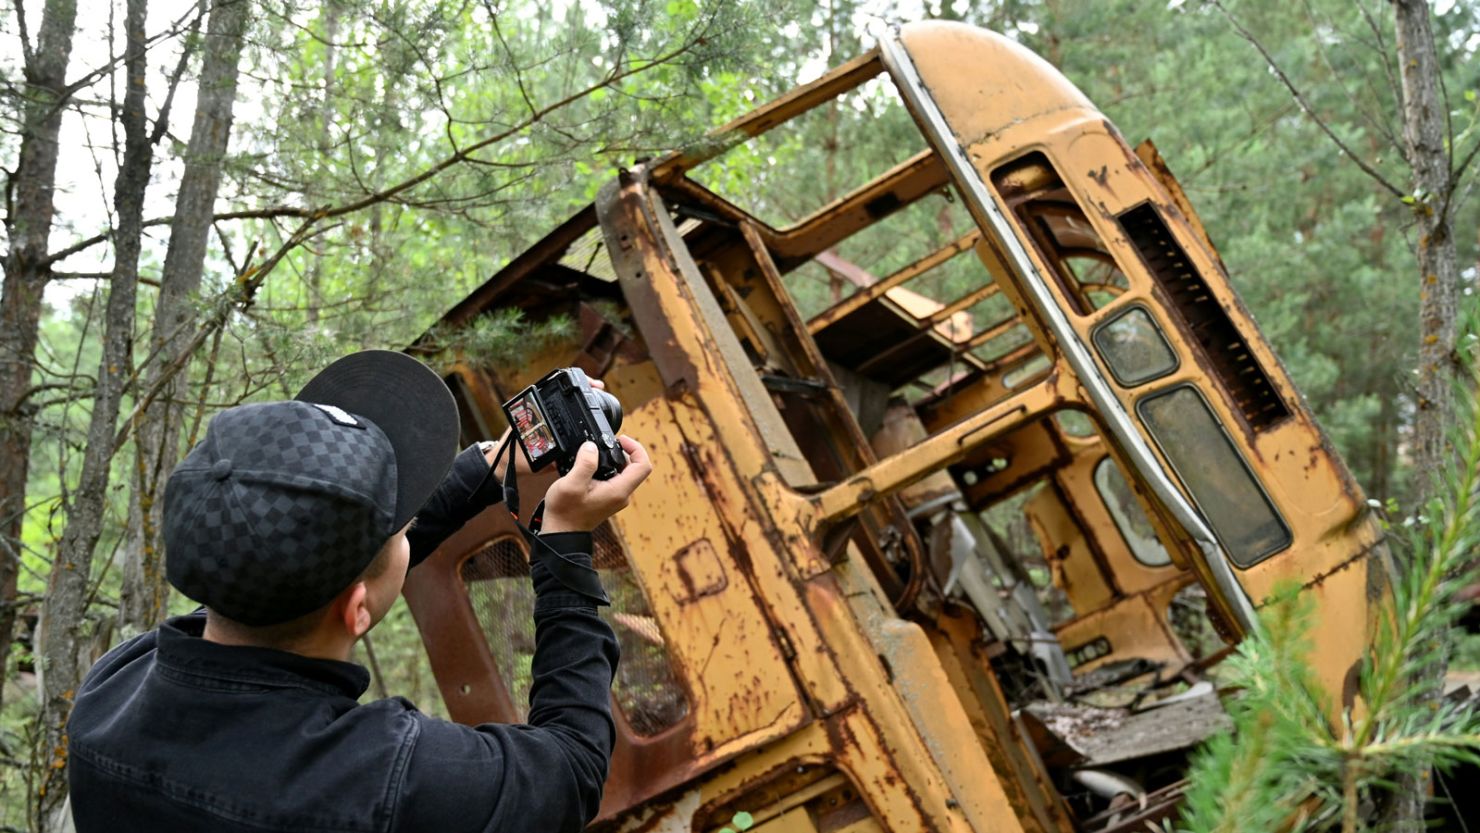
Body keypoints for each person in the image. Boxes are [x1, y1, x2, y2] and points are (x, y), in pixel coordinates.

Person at [65, 350, 653, 832]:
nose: (406, 526)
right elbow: (570, 771)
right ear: (357, 609)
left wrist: (491, 465)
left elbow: (293, 568)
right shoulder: (386, 785)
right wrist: (564, 539)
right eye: (399, 528)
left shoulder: (112, 691)